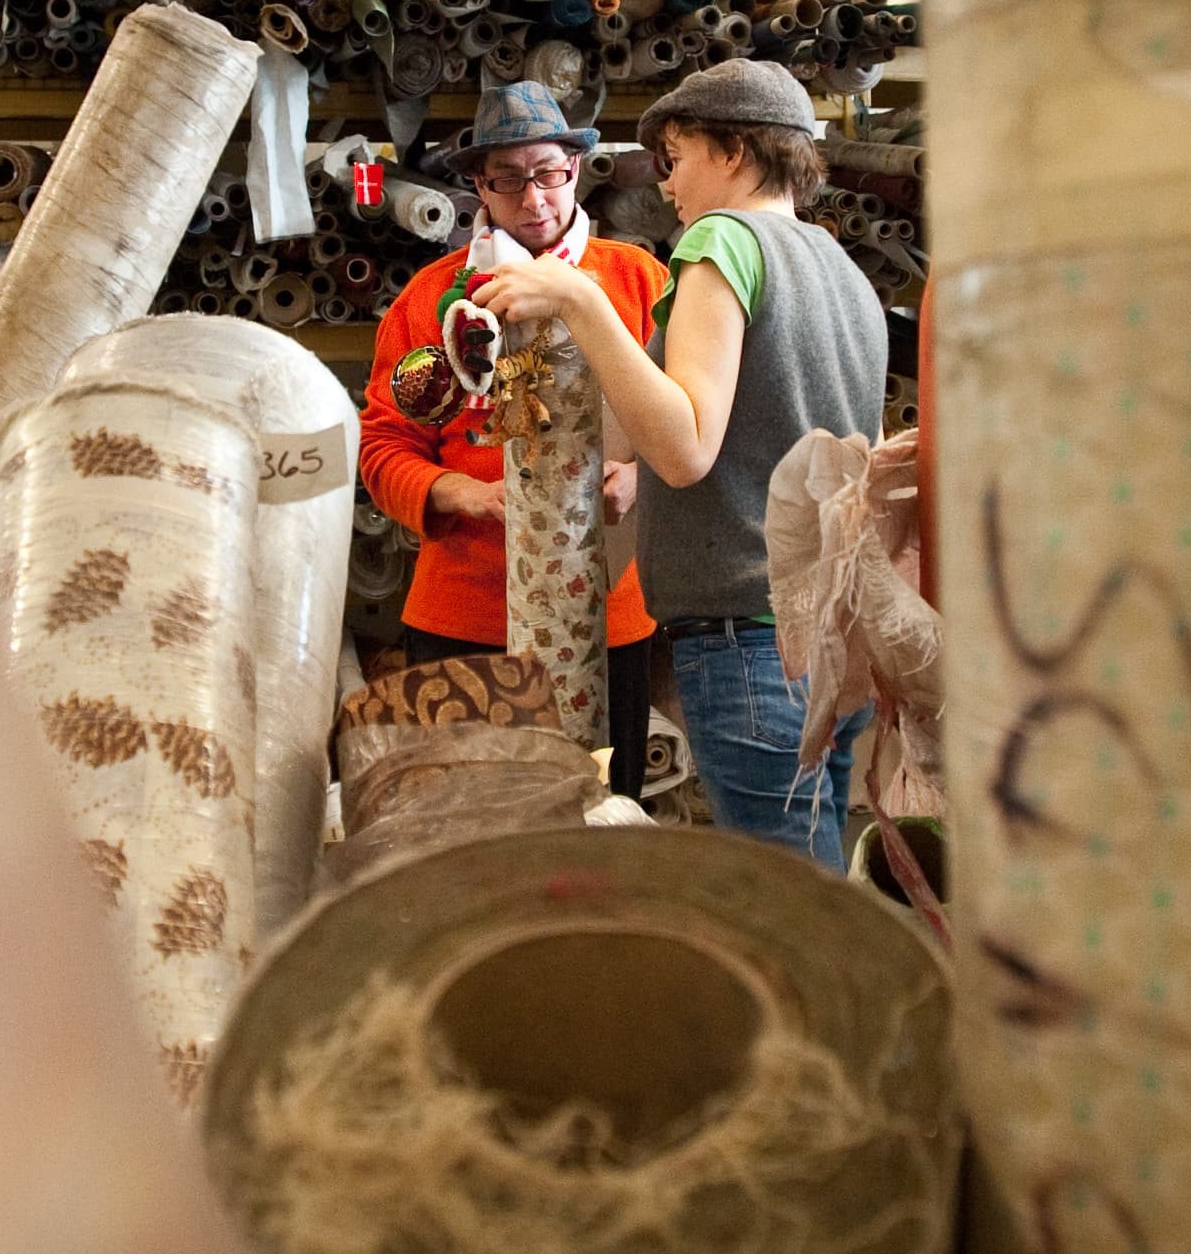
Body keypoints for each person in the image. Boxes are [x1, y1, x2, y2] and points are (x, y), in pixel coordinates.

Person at [471, 60, 888, 868]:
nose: (667, 186)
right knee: (817, 897)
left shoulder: (722, 239)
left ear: (733, 152)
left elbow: (687, 446)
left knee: (777, 915)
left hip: (753, 640)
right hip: (840, 636)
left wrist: (580, 300)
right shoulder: (840, 270)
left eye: (677, 157)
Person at [357, 81, 669, 797]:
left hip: (605, 611)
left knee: (595, 807)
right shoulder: (429, 298)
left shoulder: (638, 281)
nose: (534, 201)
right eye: (508, 180)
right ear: (478, 186)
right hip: (465, 610)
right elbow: (380, 448)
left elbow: (692, 423)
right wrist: (461, 493)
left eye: (549, 174)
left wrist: (641, 479)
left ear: (573, 169)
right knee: (464, 817)